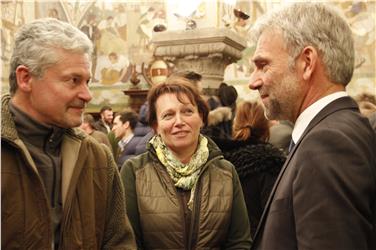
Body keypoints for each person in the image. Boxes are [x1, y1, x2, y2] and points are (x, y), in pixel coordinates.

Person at [248, 3, 376, 250]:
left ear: (307, 62)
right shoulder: (339, 129)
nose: (253, 81)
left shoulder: (327, 143)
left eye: (263, 65)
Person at [1, 18, 136, 249]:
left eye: (87, 82)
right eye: (73, 81)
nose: (87, 95)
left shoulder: (98, 158)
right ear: (26, 78)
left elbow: (119, 242)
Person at [120, 78, 252, 249]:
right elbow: (127, 243)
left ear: (202, 118)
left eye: (187, 112)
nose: (179, 122)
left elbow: (239, 242)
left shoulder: (226, 172)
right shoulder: (134, 171)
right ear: (156, 125)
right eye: (168, 115)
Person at [212, 101, 285, 238]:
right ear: (267, 128)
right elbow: (276, 219)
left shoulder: (218, 162)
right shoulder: (272, 164)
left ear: (235, 125)